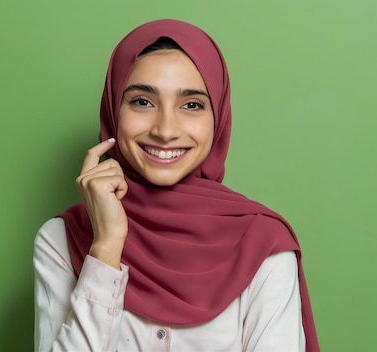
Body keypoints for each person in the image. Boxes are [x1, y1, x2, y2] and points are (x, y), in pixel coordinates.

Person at [33, 19, 319, 352]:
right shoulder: (62, 239)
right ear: (113, 109)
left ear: (219, 118)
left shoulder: (262, 245)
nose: (166, 130)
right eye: (142, 101)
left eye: (192, 105)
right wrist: (106, 247)